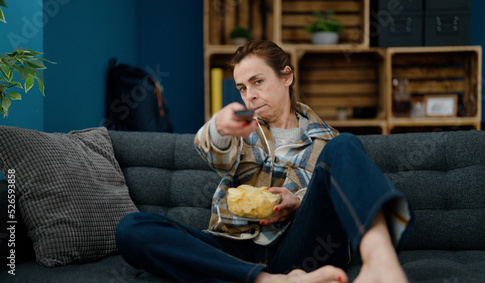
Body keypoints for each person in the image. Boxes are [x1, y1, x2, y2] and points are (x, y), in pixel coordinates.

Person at [116, 40, 413, 283]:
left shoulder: (329, 141)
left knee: (346, 144)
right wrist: (219, 125)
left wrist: (298, 202)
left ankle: (380, 264)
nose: (250, 96)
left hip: (302, 249)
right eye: (243, 88)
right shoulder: (243, 128)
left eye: (258, 82)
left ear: (286, 76)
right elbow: (213, 151)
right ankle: (269, 281)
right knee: (132, 229)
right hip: (232, 249)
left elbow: (334, 210)